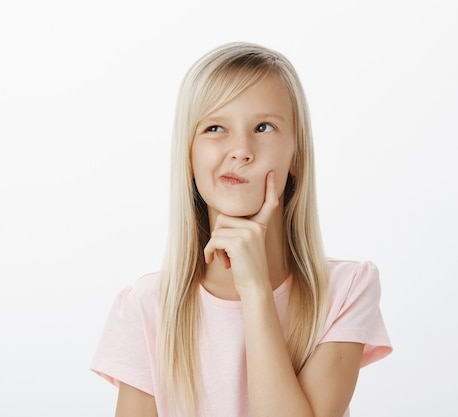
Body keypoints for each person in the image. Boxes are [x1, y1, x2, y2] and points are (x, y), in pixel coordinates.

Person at [91, 42, 392, 417]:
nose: (241, 150)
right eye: (215, 128)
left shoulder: (345, 290)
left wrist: (255, 288)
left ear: (296, 155)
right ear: (189, 156)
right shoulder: (147, 306)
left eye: (263, 127)